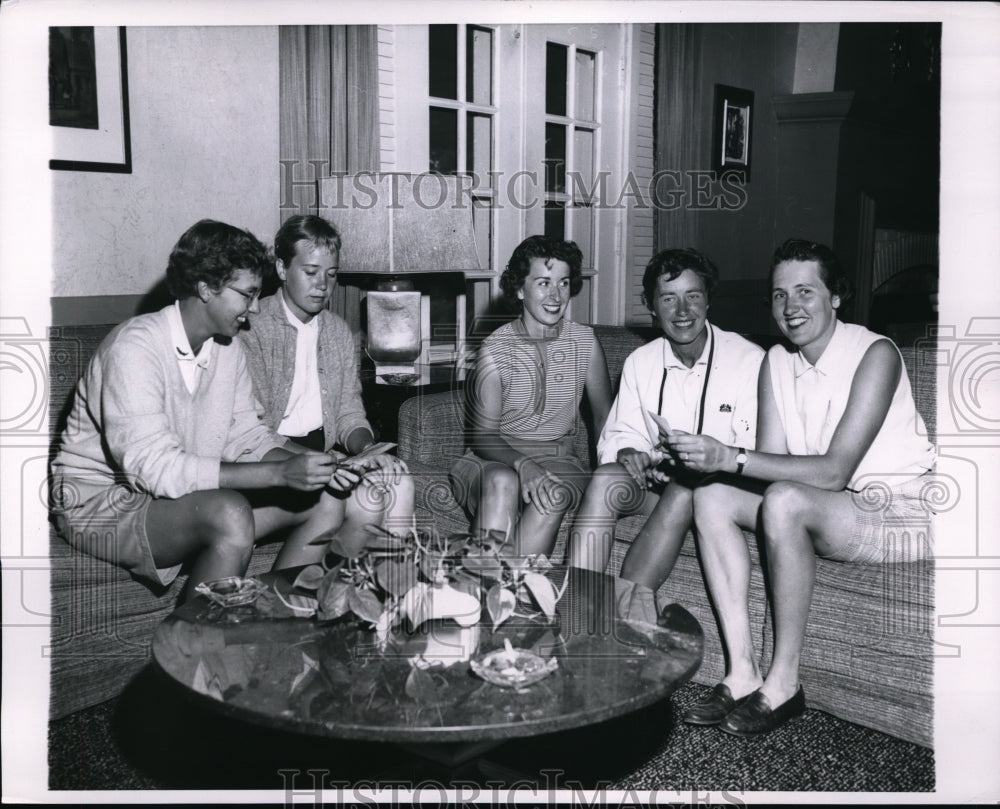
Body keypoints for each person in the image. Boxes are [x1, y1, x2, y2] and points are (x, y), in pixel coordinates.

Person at [665, 238, 936, 736]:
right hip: (836, 505)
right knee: (712, 496)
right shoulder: (776, 361)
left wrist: (727, 454)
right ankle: (742, 672)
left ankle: (784, 682)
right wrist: (710, 461)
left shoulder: (876, 353)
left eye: (806, 292)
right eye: (779, 295)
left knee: (786, 502)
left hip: (899, 509)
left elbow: (834, 471)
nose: (791, 307)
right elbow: (770, 464)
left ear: (836, 297)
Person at [50, 220, 354, 602]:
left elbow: (248, 436)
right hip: (102, 502)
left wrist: (318, 465)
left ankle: (275, 617)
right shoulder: (135, 347)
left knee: (327, 497)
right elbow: (156, 470)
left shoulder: (227, 348)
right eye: (247, 294)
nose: (256, 309)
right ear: (206, 288)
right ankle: (195, 649)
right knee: (230, 512)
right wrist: (277, 472)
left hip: (171, 495)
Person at [568, 249, 763, 612]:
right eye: (669, 299)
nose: (683, 311)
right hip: (657, 489)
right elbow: (620, 433)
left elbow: (752, 452)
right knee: (607, 480)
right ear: (652, 307)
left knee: (684, 487)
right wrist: (629, 454)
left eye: (693, 296)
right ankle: (577, 610)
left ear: (708, 301)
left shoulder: (749, 361)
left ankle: (628, 614)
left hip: (718, 496)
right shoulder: (640, 362)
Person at [238, 214, 413, 566]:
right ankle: (330, 588)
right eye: (311, 272)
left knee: (397, 478)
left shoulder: (336, 331)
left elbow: (349, 412)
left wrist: (368, 451)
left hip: (326, 457)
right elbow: (251, 432)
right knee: (371, 500)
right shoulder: (251, 328)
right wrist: (325, 464)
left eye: (331, 275)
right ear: (282, 269)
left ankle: (381, 593)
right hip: (272, 462)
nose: (322, 285)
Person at [449, 235, 613, 558]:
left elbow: (604, 419)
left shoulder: (585, 343)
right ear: (520, 290)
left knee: (550, 494)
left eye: (564, 283)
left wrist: (607, 480)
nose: (556, 295)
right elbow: (482, 436)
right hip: (492, 458)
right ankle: (484, 591)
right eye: (543, 283)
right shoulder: (494, 350)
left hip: (560, 459)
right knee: (502, 482)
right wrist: (523, 465)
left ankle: (508, 594)